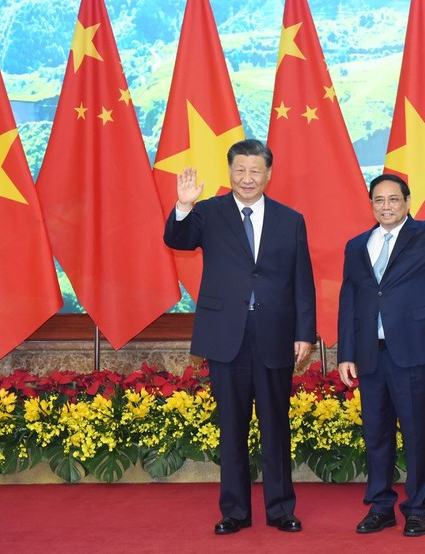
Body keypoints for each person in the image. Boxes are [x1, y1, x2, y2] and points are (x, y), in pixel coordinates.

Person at [164, 139, 316, 535]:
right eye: (240, 170)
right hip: (225, 334)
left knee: (275, 426)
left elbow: (303, 280)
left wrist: (305, 332)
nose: (247, 178)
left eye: (255, 171)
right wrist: (183, 206)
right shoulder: (208, 213)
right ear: (229, 171)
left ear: (268, 174)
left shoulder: (290, 219)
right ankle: (235, 511)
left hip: (275, 334)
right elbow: (177, 240)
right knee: (231, 427)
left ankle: (281, 509)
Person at [337, 165, 425, 537]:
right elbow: (349, 300)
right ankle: (381, 506)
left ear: (407, 202)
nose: (386, 206)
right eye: (379, 200)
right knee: (376, 434)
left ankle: (417, 509)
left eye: (393, 199)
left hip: (414, 352)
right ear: (371, 205)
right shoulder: (356, 246)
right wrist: (345, 353)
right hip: (370, 355)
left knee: (416, 434)